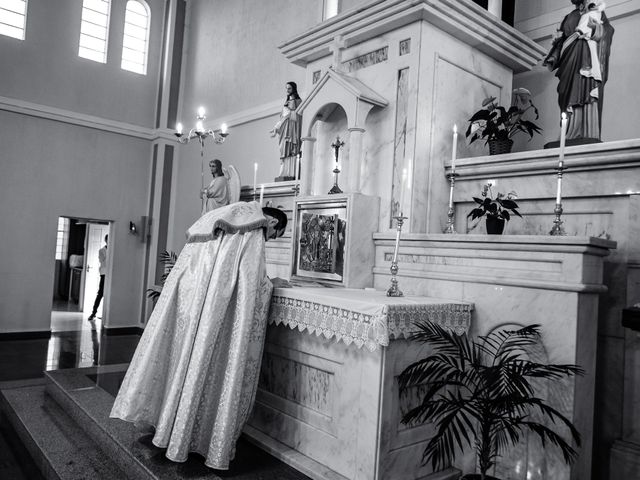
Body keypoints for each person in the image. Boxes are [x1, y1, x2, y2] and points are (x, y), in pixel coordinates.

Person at [110, 201, 287, 470]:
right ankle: (192, 435)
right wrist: (272, 285)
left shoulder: (224, 215)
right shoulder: (254, 227)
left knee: (183, 363)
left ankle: (170, 426)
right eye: (276, 235)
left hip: (193, 306)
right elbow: (250, 284)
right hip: (215, 316)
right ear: (273, 223)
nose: (270, 239)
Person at [543, 0, 614, 143]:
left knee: (586, 90)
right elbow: (562, 41)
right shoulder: (569, 17)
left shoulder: (595, 10)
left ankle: (588, 131)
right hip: (569, 63)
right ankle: (568, 132)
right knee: (566, 91)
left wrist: (593, 29)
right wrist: (554, 56)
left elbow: (606, 32)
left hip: (587, 59)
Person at [269, 81, 302, 181]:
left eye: (289, 88)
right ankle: (284, 172)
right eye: (286, 88)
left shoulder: (298, 101)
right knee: (283, 149)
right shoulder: (287, 102)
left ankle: (291, 172)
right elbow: (283, 117)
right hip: (285, 129)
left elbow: (297, 117)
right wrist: (276, 127)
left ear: (294, 89)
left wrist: (290, 114)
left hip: (292, 130)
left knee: (290, 149)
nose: (287, 91)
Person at [88, 234, 107, 321]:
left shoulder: (113, 250)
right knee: (100, 294)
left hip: (111, 275)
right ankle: (93, 312)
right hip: (104, 274)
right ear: (106, 241)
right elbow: (102, 261)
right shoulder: (101, 250)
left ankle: (106, 314)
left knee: (109, 295)